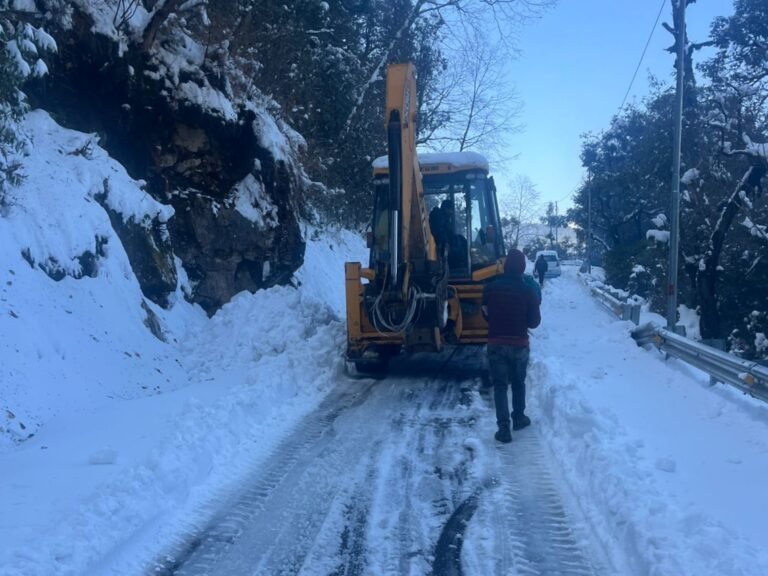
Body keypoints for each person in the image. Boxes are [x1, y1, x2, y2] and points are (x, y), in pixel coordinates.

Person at [482, 248, 542, 443]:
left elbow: (485, 314)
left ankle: (503, 429)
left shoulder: (491, 288)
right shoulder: (529, 291)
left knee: (500, 386)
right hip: (519, 345)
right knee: (518, 382)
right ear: (522, 268)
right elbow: (534, 322)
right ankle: (519, 417)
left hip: (496, 343)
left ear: (506, 266)